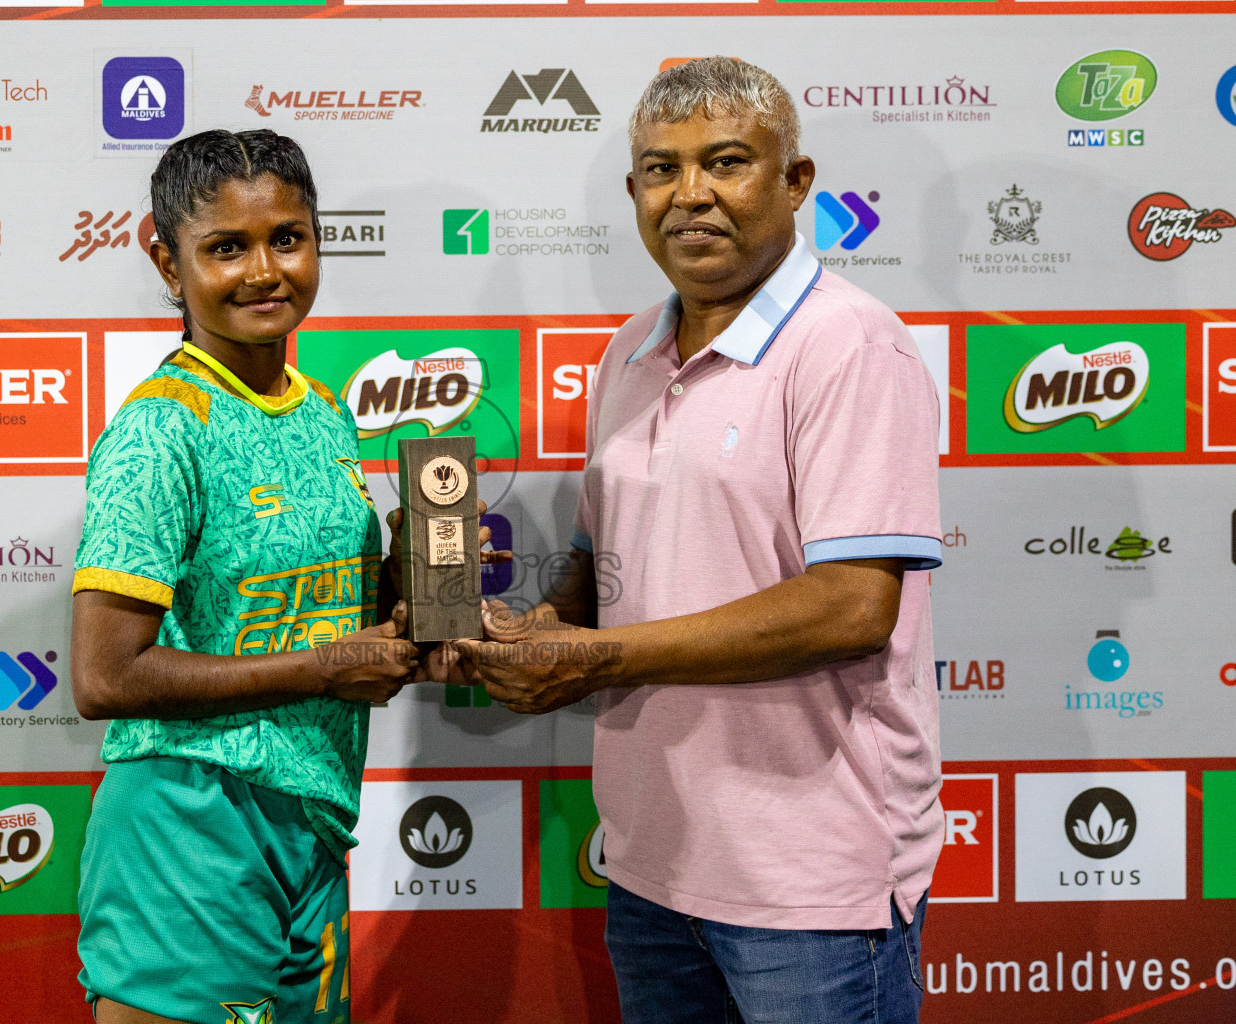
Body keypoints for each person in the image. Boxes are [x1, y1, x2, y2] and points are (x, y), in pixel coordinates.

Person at [450, 58, 944, 1023]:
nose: (691, 196)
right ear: (635, 192)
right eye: (661, 170)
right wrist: (532, 630)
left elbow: (852, 606)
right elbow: (617, 566)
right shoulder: (629, 350)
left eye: (726, 163)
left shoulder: (850, 345)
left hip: (809, 883)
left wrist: (595, 656)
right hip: (653, 865)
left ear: (796, 183)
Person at [69, 129, 420, 1024]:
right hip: (188, 822)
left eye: (287, 239)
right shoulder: (159, 431)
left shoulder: (326, 414)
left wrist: (418, 579)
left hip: (308, 824)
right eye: (227, 248)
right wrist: (326, 669)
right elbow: (107, 677)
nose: (265, 271)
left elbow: (312, 615)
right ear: (167, 259)